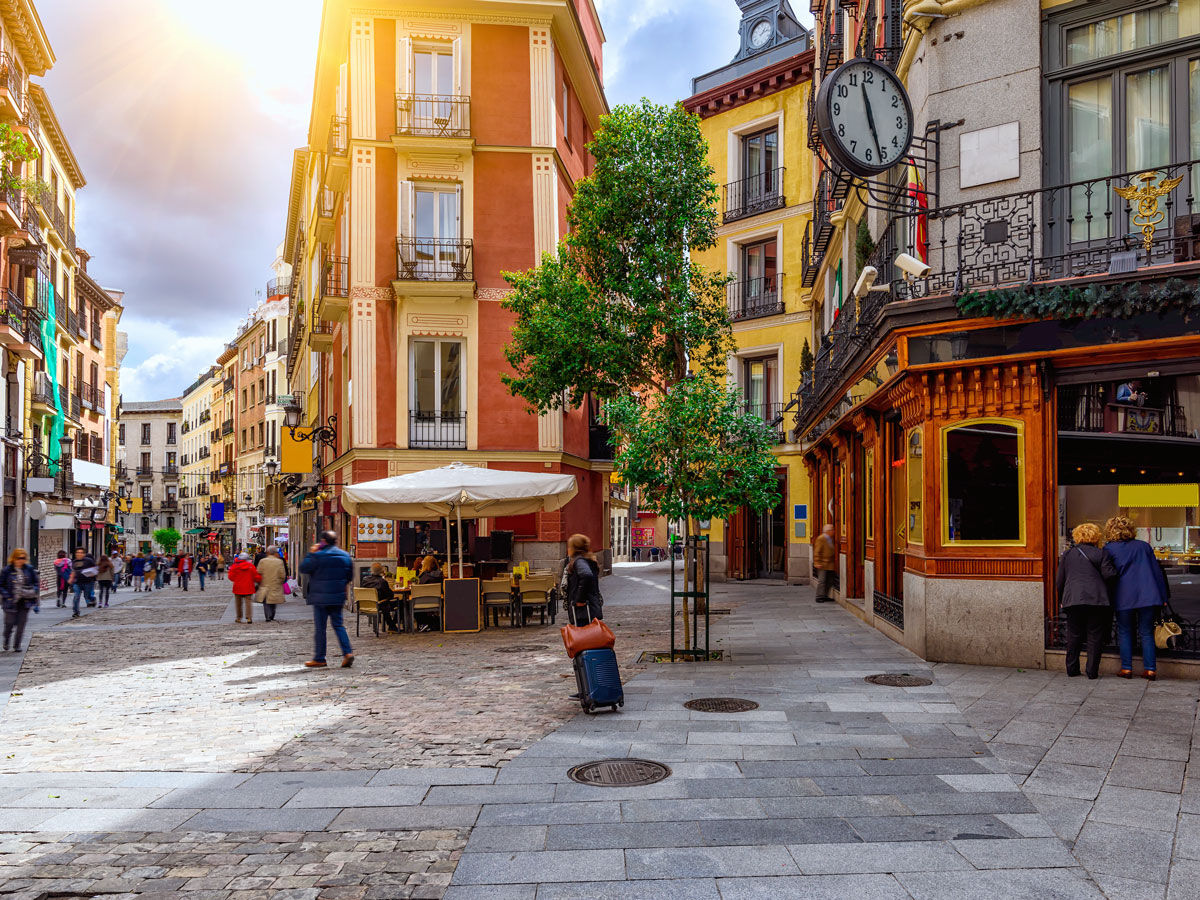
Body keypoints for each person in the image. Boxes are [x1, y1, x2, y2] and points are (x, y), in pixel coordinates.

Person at [1103, 515, 1168, 680]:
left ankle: (1126, 669)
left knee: (1124, 631)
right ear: (1131, 529)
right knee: (1146, 632)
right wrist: (1163, 595)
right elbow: (1157, 572)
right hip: (1148, 595)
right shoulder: (1144, 547)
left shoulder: (1109, 549)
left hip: (1123, 595)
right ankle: (1150, 669)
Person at [1056, 523, 1112, 680]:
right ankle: (1092, 671)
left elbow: (1059, 580)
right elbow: (1109, 575)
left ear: (1077, 536)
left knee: (1073, 634)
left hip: (1073, 599)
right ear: (1096, 536)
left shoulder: (1067, 555)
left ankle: (1072, 669)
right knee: (1095, 636)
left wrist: (1062, 599)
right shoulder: (1101, 554)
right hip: (1096, 599)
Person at [300, 530, 354, 668]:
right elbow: (349, 576)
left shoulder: (317, 556)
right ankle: (347, 652)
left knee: (320, 628)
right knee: (338, 625)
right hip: (338, 596)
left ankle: (320, 658)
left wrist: (311, 553)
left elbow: (303, 568)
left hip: (320, 597)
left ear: (323, 541)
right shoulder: (345, 556)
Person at [1, 549, 39, 652]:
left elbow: (36, 583)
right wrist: (7, 595)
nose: (21, 560)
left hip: (25, 601)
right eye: (19, 558)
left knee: (21, 624)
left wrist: (33, 590)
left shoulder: (29, 569)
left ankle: (17, 645)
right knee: (9, 623)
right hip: (10, 601)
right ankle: (6, 640)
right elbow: (1, 585)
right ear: (14, 558)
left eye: (23, 558)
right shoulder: (7, 570)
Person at [565, 534, 602, 626]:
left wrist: (579, 600)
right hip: (589, 607)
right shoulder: (587, 559)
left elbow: (586, 575)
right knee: (589, 637)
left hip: (584, 610)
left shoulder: (579, 561)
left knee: (584, 637)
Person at [363, 562, 399, 633]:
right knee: (400, 603)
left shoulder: (365, 580)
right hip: (381, 605)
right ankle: (392, 625)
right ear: (381, 571)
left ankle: (392, 625)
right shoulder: (382, 581)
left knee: (385, 603)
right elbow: (390, 595)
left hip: (367, 603)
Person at [228, 552, 261, 624]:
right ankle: (249, 617)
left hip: (238, 587)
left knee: (238, 604)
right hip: (248, 587)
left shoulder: (234, 566)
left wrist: (236, 580)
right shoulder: (250, 566)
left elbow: (230, 577)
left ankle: (239, 617)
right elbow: (255, 576)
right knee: (248, 603)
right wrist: (259, 580)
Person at [256, 547, 287, 622]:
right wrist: (281, 581)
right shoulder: (279, 562)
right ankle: (272, 615)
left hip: (265, 583)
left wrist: (259, 582)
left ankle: (267, 616)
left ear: (268, 552)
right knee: (274, 600)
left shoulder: (263, 561)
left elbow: (258, 572)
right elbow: (282, 574)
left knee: (266, 601)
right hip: (275, 583)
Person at [68, 547, 96, 618]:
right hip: (77, 582)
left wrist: (92, 574)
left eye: (80, 553)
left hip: (87, 582)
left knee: (87, 596)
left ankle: (92, 599)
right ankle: (76, 612)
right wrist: (71, 578)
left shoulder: (89, 561)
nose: (79, 554)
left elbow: (95, 569)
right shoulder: (74, 562)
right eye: (77, 552)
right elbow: (73, 571)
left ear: (84, 554)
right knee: (76, 597)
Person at [813, 523, 837, 603]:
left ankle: (825, 595)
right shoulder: (821, 538)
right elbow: (817, 552)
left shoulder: (831, 538)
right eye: (832, 530)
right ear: (828, 531)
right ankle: (819, 596)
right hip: (822, 563)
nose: (834, 531)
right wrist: (817, 562)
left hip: (830, 563)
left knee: (830, 580)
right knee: (822, 580)